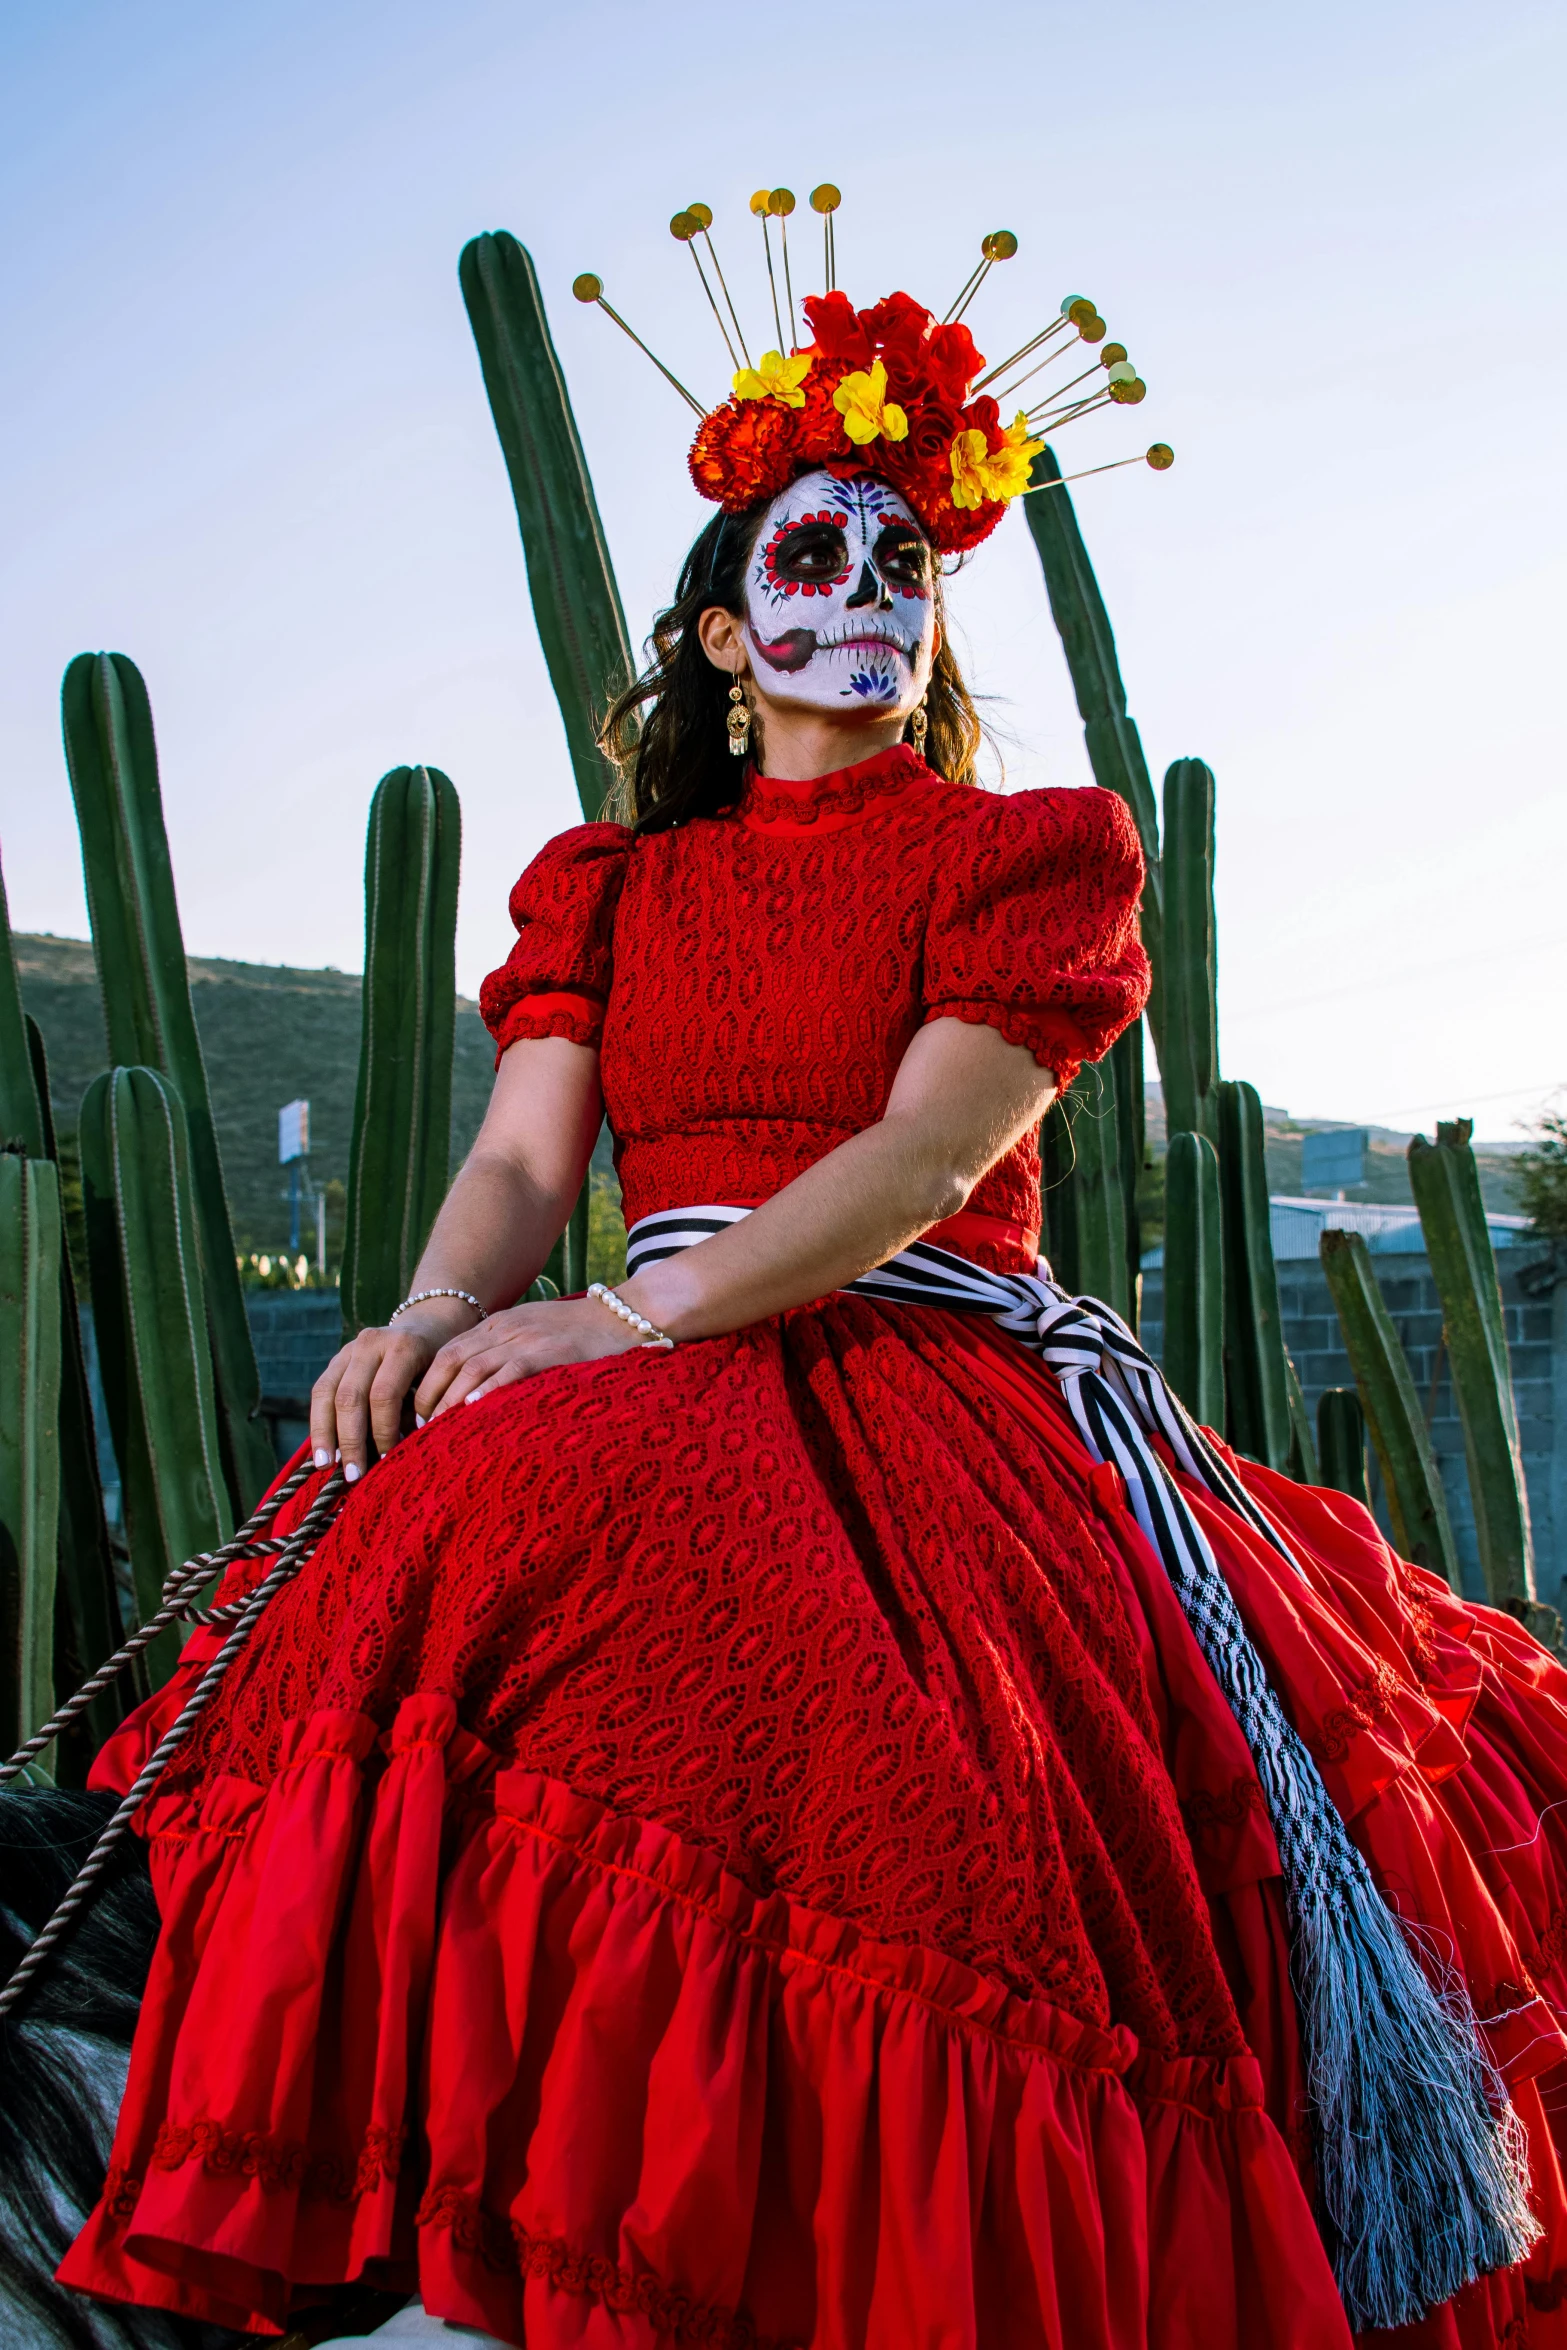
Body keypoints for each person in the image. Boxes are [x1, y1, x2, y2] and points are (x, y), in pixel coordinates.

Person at [50, 275, 1567, 2350]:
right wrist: (423, 1311)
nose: (869, 587)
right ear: (714, 633)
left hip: (929, 1379)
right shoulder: (618, 886)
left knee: (916, 1784)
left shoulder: (1023, 849)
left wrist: (629, 1317)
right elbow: (517, 1159)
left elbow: (927, 1160)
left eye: (907, 559)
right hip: (649, 1341)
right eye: (815, 550)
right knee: (440, 1535)